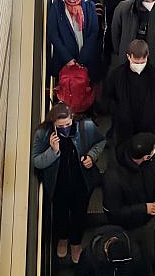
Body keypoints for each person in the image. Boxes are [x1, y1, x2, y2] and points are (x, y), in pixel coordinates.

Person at [32, 102, 106, 263]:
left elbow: (100, 142)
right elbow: (37, 161)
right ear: (53, 123)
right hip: (58, 184)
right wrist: (53, 151)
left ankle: (75, 243)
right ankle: (63, 239)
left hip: (82, 182)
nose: (65, 128)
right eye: (60, 126)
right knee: (60, 214)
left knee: (79, 214)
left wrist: (92, 157)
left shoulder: (86, 127)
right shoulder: (43, 134)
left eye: (68, 124)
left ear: (72, 118)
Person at [103, 132, 155, 268]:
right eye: (152, 154)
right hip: (127, 225)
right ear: (145, 157)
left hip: (146, 218)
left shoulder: (149, 162)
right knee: (134, 254)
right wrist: (144, 208)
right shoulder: (113, 178)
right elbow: (114, 211)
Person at [102, 40, 155, 149]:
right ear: (128, 57)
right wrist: (117, 112)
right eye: (136, 62)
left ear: (147, 57)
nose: (139, 65)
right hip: (125, 125)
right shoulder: (117, 75)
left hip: (148, 125)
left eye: (142, 62)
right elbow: (108, 96)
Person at [47, 0, 104, 81]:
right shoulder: (57, 5)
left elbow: (94, 32)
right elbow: (53, 33)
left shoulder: (89, 4)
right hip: (64, 60)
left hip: (87, 59)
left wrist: (82, 59)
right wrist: (68, 58)